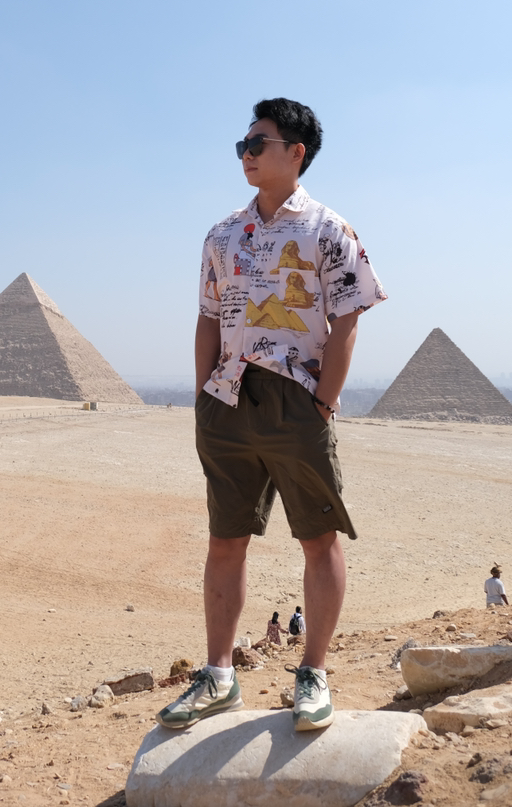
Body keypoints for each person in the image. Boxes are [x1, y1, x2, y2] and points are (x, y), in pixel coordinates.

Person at [157, 98, 386, 735]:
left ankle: (313, 672)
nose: (246, 155)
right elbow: (208, 317)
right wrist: (203, 397)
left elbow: (347, 319)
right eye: (243, 146)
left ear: (296, 152)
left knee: (318, 537)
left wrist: (323, 404)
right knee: (224, 540)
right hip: (227, 400)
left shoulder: (329, 230)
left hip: (296, 398)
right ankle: (218, 675)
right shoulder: (221, 234)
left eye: (257, 144)